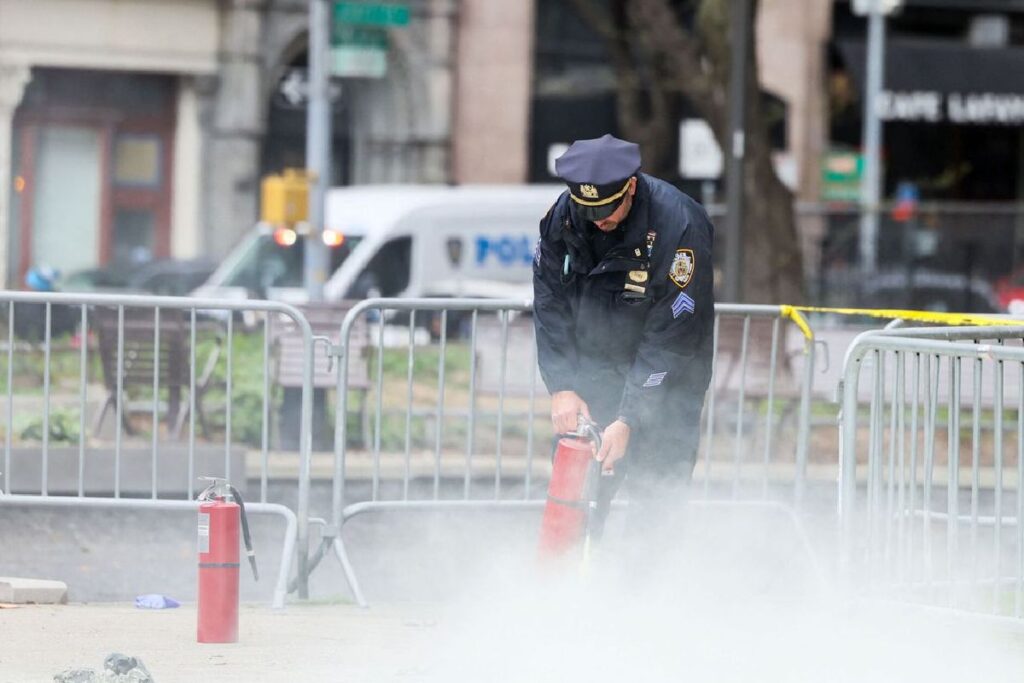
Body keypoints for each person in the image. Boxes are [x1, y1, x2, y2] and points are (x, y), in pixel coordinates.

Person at [532, 134, 715, 530]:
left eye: (610, 207)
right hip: (593, 378)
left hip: (668, 386)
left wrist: (630, 417)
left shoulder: (679, 225)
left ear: (631, 186)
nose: (600, 219)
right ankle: (566, 588)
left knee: (656, 510)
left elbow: (674, 331)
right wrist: (562, 386)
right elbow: (550, 304)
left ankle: (644, 589)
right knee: (575, 504)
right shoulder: (564, 217)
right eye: (589, 208)